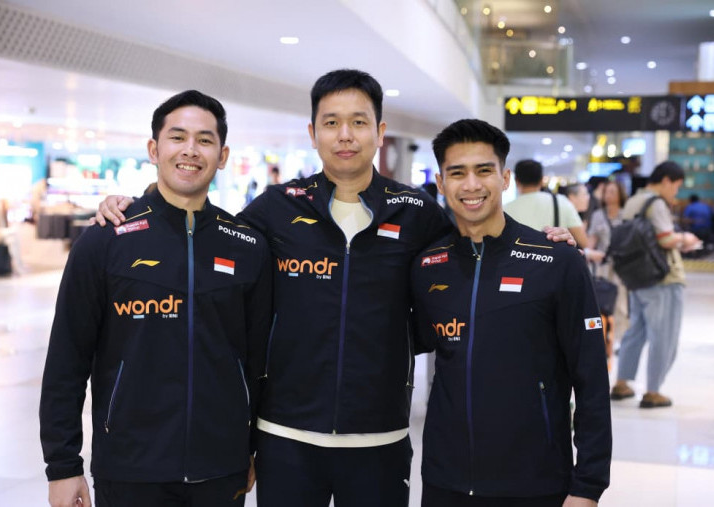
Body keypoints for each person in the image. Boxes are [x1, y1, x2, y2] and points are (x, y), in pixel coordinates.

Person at [94, 70, 575, 507]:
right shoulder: (276, 207)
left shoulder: (416, 212)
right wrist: (136, 205)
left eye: (359, 122)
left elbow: (471, 255)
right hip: (285, 436)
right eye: (331, 123)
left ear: (380, 132)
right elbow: (207, 235)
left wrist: (540, 242)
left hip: (380, 439)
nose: (345, 135)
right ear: (313, 133)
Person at [39, 90, 272, 507]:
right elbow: (66, 360)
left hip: (221, 468)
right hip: (129, 468)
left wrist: (251, 446)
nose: (190, 150)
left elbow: (257, 362)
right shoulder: (105, 241)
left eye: (204, 140)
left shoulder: (247, 246)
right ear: (154, 149)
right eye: (177, 137)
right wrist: (62, 465)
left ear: (222, 156)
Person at [411, 119, 612, 506]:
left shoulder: (558, 262)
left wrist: (588, 485)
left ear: (505, 179)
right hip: (444, 480)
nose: (471, 185)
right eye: (457, 173)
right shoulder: (428, 265)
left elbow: (591, 378)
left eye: (484, 170)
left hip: (535, 482)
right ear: (441, 182)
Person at [610, 161, 702, 408]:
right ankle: (653, 391)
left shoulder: (633, 200)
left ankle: (621, 383)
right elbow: (665, 239)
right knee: (664, 336)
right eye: (676, 186)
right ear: (666, 180)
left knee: (635, 332)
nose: (676, 192)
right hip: (662, 278)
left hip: (637, 277)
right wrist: (686, 238)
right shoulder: (657, 203)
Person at [586, 180, 629, 358]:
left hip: (622, 266)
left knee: (621, 304)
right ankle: (601, 338)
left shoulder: (626, 214)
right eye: (607, 192)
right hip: (602, 266)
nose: (609, 195)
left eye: (613, 192)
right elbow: (591, 240)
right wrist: (589, 253)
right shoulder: (598, 215)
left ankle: (619, 339)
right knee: (601, 303)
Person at [505, 159, 588, 248]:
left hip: (517, 256)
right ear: (541, 180)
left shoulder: (505, 209)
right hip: (554, 255)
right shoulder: (560, 201)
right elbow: (583, 242)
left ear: (516, 180)